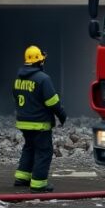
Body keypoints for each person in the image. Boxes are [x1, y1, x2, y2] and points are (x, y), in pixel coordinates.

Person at [12, 44, 66, 193]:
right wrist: (62, 115)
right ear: (39, 62)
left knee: (29, 147)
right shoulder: (43, 78)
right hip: (39, 124)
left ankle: (22, 177)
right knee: (44, 152)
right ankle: (39, 184)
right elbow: (52, 102)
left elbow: (15, 97)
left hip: (23, 122)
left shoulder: (18, 78)